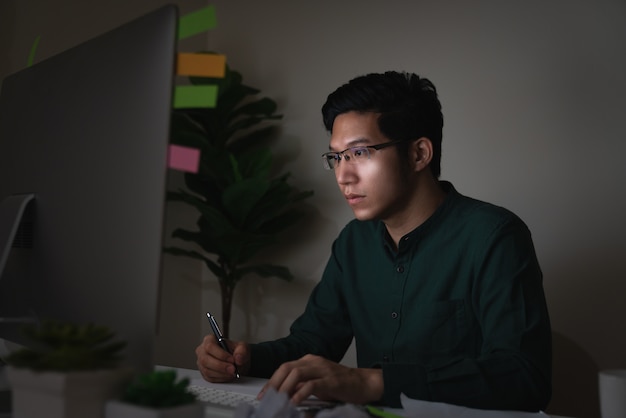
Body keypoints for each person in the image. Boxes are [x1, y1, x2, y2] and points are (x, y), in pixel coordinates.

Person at [195, 71, 552, 412]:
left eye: (359, 153)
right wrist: (244, 357)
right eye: (336, 157)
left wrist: (373, 383)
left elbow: (524, 377)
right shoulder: (354, 243)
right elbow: (312, 343)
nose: (343, 175)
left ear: (419, 154)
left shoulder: (493, 236)